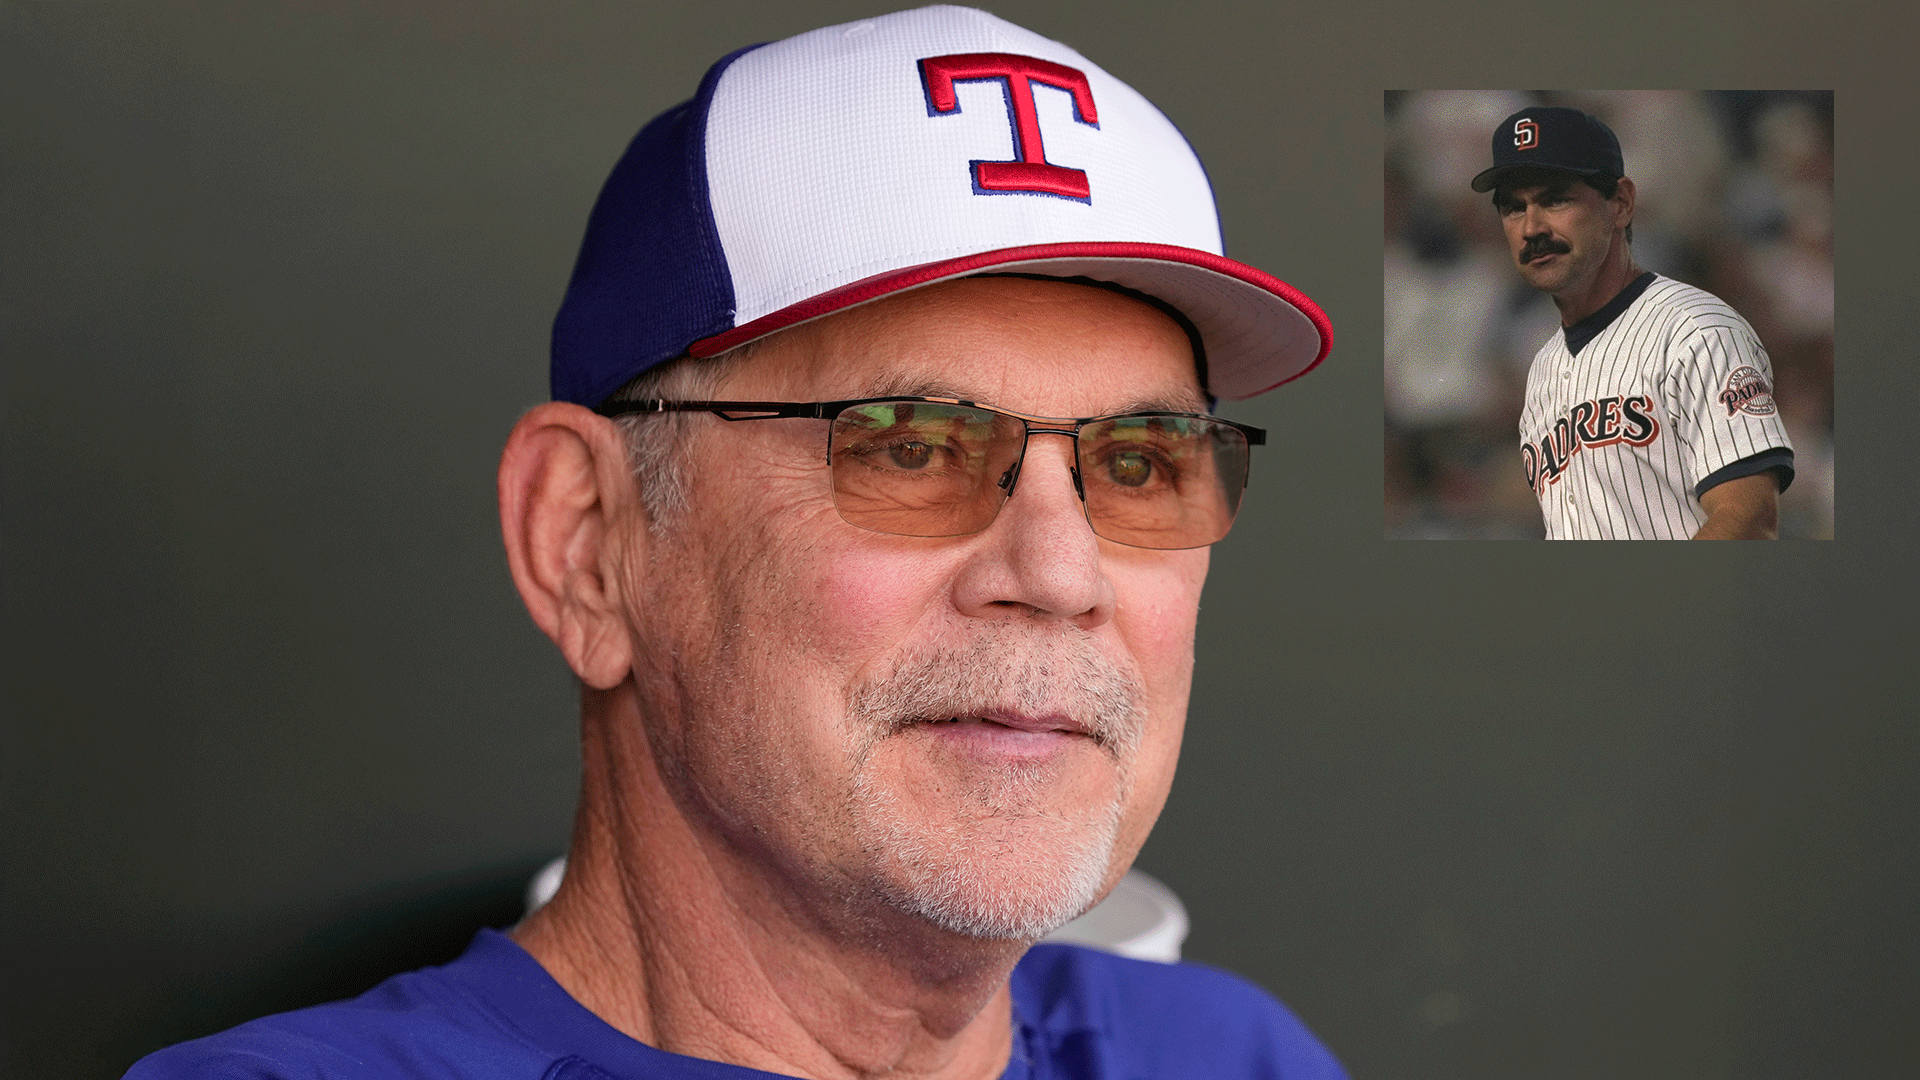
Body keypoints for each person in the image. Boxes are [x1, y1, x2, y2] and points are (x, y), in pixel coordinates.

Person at [126, 7, 1343, 1078]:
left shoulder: (1232, 1056)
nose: (1061, 574)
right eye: (909, 446)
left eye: (1137, 464)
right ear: (587, 546)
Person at [1473, 105, 1794, 539]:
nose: (1531, 227)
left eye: (1555, 199)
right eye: (1513, 208)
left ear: (1620, 203)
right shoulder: (1542, 372)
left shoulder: (1697, 331)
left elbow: (1749, 520)